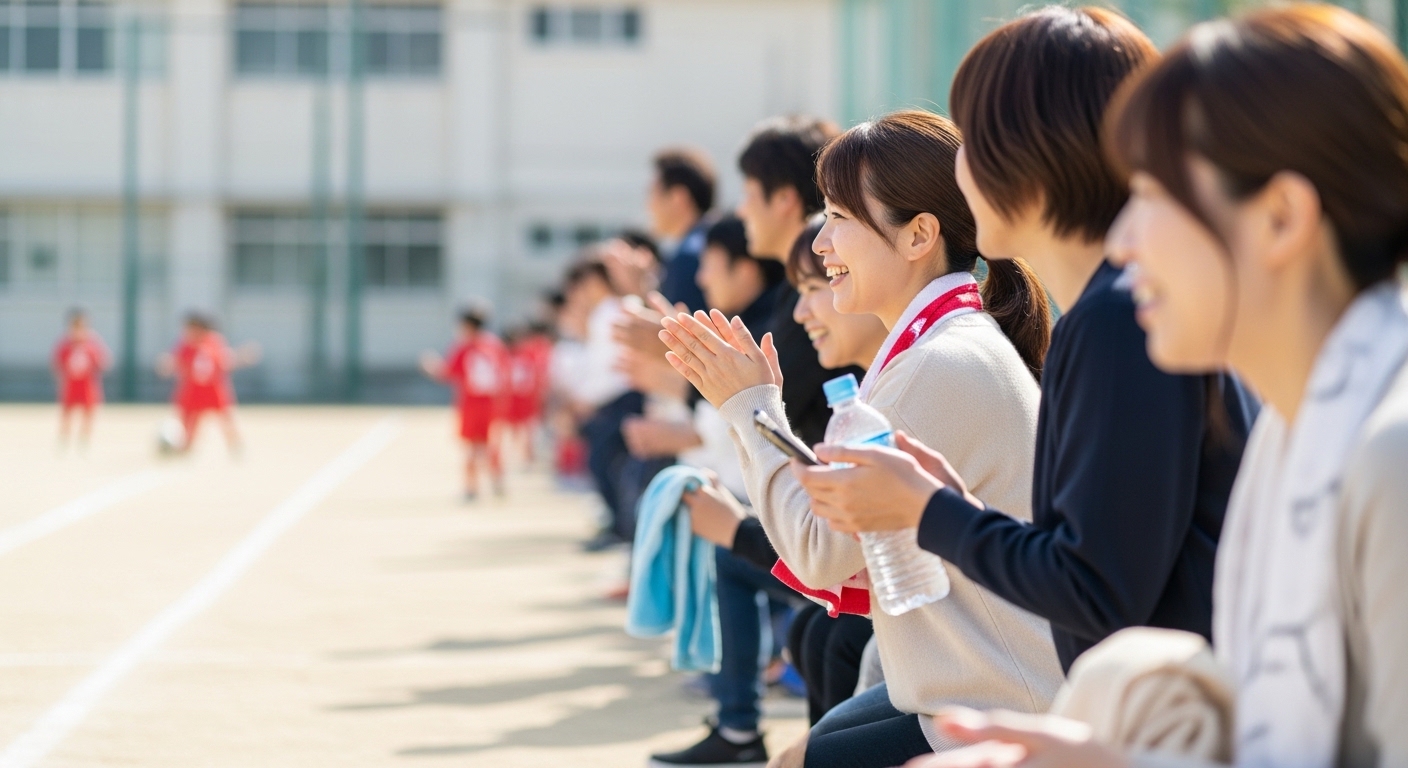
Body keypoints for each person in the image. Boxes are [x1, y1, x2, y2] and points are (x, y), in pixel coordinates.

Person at [908, 6, 1408, 768]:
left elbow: (1099, 585)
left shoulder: (1388, 456)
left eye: (1153, 193)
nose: (1128, 236)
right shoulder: (1299, 428)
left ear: (1280, 218)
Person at [796, 6, 1257, 679]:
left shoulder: (1121, 318)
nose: (960, 173)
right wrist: (951, 508)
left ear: (1034, 151)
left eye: (975, 142)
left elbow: (1096, 592)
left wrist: (930, 511)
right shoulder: (1123, 306)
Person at [661, 110, 1064, 768]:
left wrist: (750, 407)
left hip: (995, 702)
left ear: (919, 236)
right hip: (976, 684)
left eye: (841, 218)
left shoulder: (940, 359)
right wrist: (749, 410)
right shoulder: (942, 341)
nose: (821, 244)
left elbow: (820, 552)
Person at [644, 215, 795, 768]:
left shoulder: (779, 329)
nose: (804, 309)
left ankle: (746, 719)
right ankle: (740, 724)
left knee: (736, 554)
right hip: (801, 519)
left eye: (819, 285)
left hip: (835, 542)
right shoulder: (768, 321)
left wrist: (733, 522)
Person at [421, 308, 508, 500]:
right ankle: (497, 480)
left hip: (472, 405)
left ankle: (471, 488)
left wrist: (431, 366)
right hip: (493, 404)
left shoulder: (465, 347)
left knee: (471, 447)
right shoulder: (495, 345)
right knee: (490, 445)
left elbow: (447, 373)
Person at [156, 313, 259, 455]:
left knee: (227, 420)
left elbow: (226, 360)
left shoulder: (214, 342)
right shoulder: (185, 345)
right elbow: (175, 361)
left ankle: (235, 447)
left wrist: (243, 356)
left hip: (213, 389)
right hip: (192, 391)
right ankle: (183, 447)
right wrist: (167, 364)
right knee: (188, 424)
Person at [52, 308, 110, 451]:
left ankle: (84, 441)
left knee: (88, 414)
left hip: (87, 386)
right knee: (67, 414)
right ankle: (64, 440)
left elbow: (103, 362)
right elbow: (57, 363)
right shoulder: (66, 345)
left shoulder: (92, 344)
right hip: (71, 385)